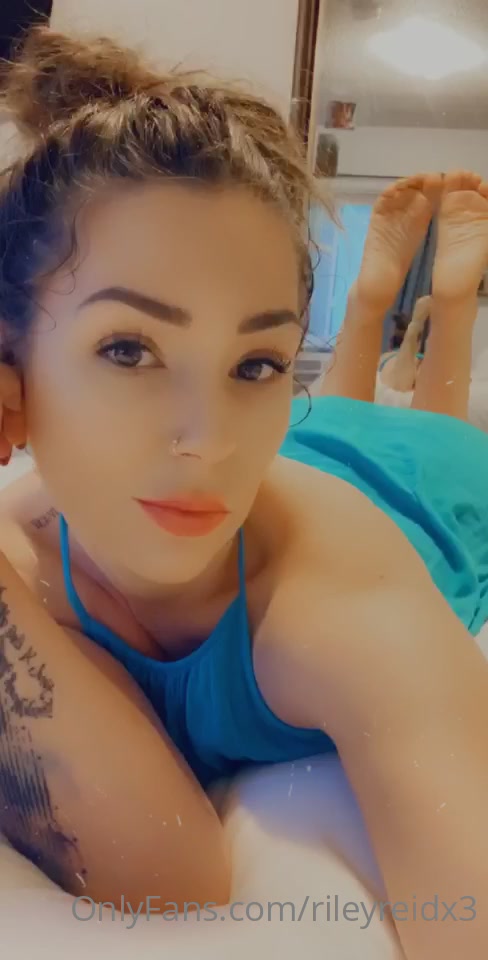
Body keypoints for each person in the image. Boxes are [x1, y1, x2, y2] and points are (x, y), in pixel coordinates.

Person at [0, 28, 487, 960]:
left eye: (260, 359)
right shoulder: (22, 550)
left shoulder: (336, 605)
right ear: (12, 369)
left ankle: (443, 302)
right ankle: (370, 308)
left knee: (437, 427)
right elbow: (160, 869)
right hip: (303, 437)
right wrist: (251, 378)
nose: (212, 437)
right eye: (130, 349)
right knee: (322, 416)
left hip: (423, 485)